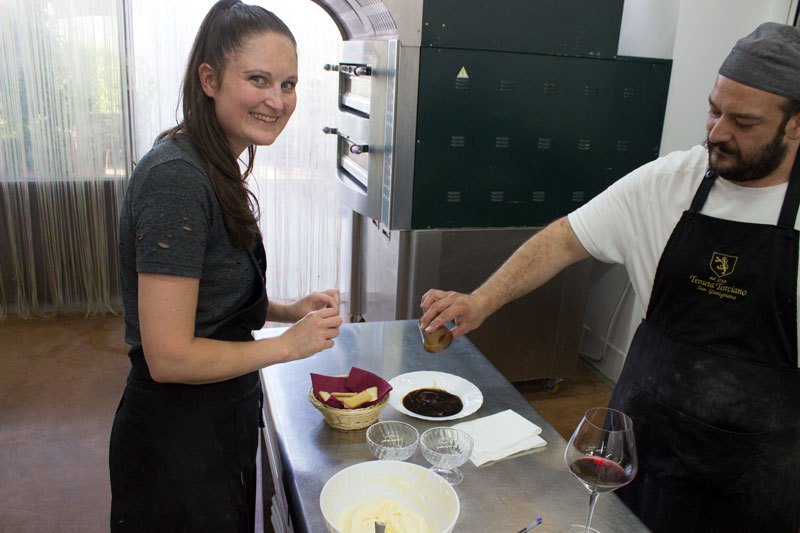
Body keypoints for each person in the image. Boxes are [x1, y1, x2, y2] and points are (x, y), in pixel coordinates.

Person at [420, 22, 800, 533]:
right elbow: (563, 238)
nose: (716, 132)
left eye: (744, 122)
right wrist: (482, 301)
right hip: (643, 446)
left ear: (795, 125)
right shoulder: (671, 181)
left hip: (757, 478)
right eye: (714, 109)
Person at [109, 1, 343, 531]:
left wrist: (285, 309)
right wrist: (288, 346)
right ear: (209, 79)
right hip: (176, 440)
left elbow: (206, 299)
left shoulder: (213, 162)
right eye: (258, 79)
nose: (276, 100)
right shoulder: (176, 178)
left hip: (218, 413)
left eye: (288, 84)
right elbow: (168, 356)